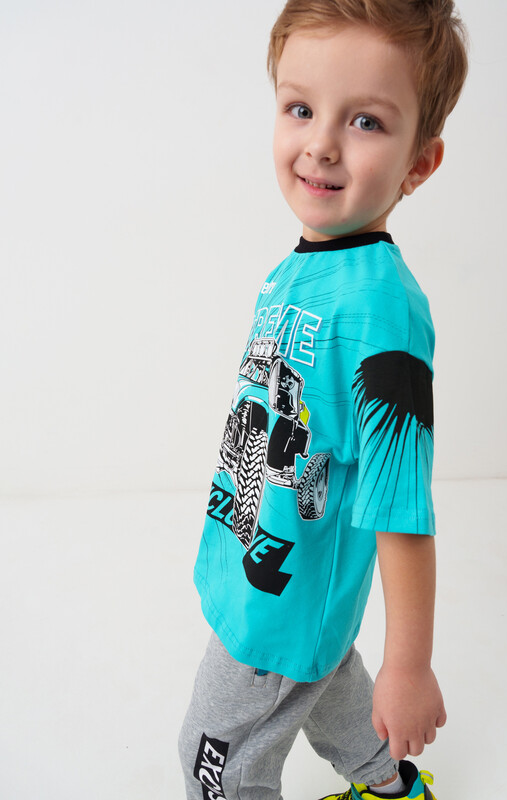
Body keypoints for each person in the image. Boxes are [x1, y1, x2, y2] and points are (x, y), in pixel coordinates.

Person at [179, 2, 468, 799]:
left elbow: (400, 505)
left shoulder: (382, 314)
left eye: (366, 121)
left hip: (281, 608)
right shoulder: (307, 264)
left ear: (418, 164)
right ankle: (392, 787)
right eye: (301, 108)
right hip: (274, 575)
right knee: (332, 691)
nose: (321, 144)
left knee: (213, 762)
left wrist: (408, 666)